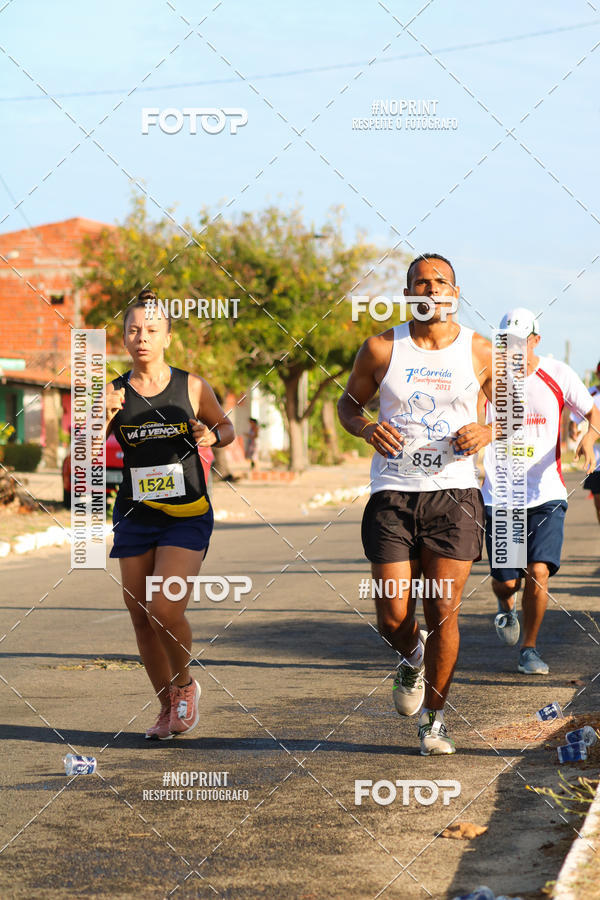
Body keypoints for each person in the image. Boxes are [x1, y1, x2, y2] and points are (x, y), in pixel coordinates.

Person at [338, 253, 495, 756]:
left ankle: (434, 720)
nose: (430, 290)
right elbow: (347, 404)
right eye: (420, 283)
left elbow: (512, 414)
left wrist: (487, 429)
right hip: (393, 493)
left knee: (443, 608)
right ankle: (409, 656)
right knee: (392, 615)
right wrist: (366, 426)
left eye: (440, 282)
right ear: (408, 294)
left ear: (454, 292)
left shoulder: (481, 350)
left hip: (455, 495)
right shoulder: (382, 348)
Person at [106, 289, 234, 740]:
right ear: (123, 338)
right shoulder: (113, 393)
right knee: (140, 615)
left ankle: (185, 685)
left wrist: (210, 435)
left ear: (167, 337)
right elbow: (81, 453)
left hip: (187, 513)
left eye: (151, 330)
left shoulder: (191, 386)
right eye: (134, 330)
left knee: (164, 608)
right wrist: (96, 417)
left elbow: (226, 427)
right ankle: (167, 707)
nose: (142, 337)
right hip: (135, 513)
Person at [481, 309, 600, 674]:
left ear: (536, 340)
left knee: (539, 571)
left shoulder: (558, 373)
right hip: (500, 494)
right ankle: (505, 606)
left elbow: (593, 413)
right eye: (506, 343)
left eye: (519, 342)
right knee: (507, 581)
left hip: (546, 492)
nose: (512, 349)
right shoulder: (488, 378)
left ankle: (529, 648)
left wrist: (588, 442)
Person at [569, 363, 600, 526]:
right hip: (596, 459)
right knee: (598, 502)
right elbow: (575, 417)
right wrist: (572, 427)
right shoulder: (591, 394)